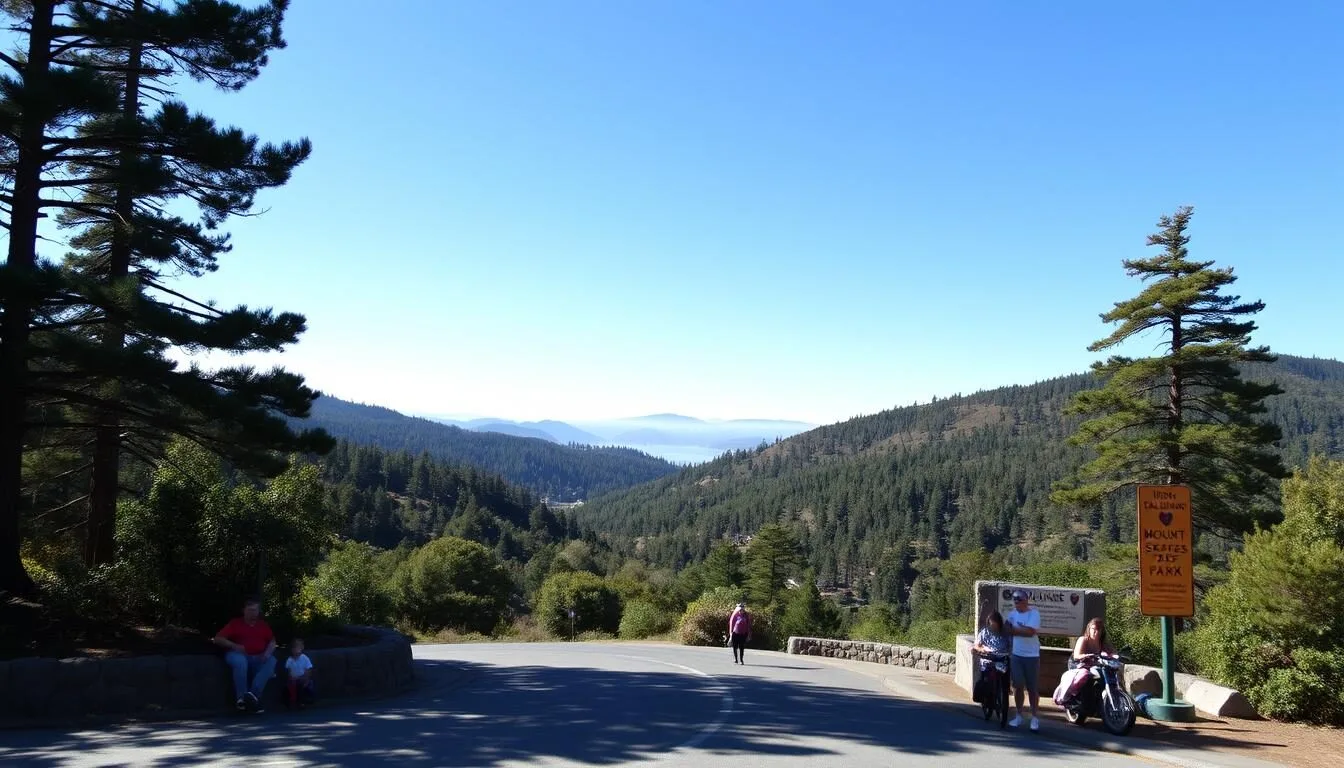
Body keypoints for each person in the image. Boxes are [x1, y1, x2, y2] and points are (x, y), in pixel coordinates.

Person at [213, 596, 277, 712]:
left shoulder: (262, 625)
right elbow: (218, 638)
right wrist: (235, 646)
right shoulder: (235, 623)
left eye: (255, 610)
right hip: (238, 654)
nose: (253, 613)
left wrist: (267, 653)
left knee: (272, 660)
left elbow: (272, 641)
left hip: (258, 656)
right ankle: (241, 698)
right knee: (240, 662)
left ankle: (253, 695)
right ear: (244, 611)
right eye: (250, 610)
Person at [1004, 589, 1042, 731]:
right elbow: (1007, 628)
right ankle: (1019, 715)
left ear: (1026, 600)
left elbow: (1030, 632)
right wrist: (1019, 629)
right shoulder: (1012, 614)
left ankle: (1034, 717)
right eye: (1014, 599)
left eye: (1019, 599)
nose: (1016, 601)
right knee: (1017, 685)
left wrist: (1016, 630)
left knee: (1032, 688)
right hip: (1016, 655)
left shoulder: (1034, 614)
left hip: (1032, 656)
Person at [970, 610, 1010, 703]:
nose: (993, 627)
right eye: (992, 625)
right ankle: (986, 696)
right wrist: (980, 649)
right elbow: (976, 645)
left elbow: (1011, 644)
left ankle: (1005, 690)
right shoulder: (985, 632)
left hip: (1001, 658)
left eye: (995, 625)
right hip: (988, 659)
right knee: (986, 677)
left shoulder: (1005, 632)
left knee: (1006, 673)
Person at [285, 637, 316, 709]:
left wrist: (306, 679)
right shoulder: (290, 660)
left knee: (301, 686)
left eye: (298, 647)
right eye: (294, 647)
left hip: (302, 678)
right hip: (293, 679)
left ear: (302, 648)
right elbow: (288, 670)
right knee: (289, 686)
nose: (296, 650)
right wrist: (291, 678)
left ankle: (301, 702)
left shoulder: (304, 658)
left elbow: (308, 669)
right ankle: (291, 701)